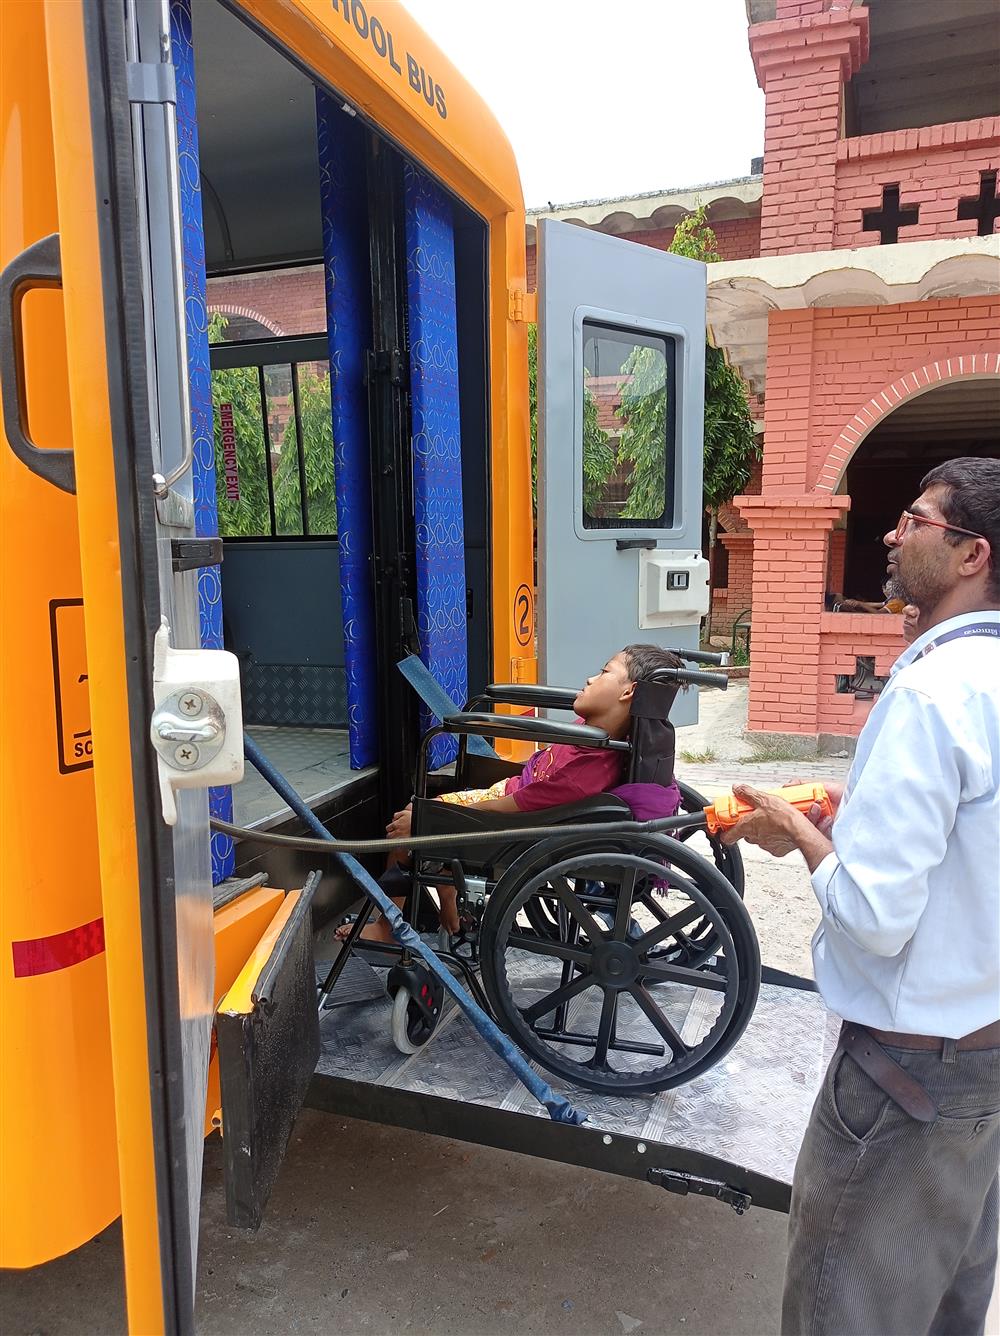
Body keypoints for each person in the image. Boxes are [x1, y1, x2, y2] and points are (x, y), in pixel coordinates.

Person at [720, 457, 1000, 1336]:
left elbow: (876, 922)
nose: (892, 531)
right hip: (984, 1066)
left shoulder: (931, 692)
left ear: (971, 555)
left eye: (916, 519)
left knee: (847, 1312)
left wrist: (799, 834)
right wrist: (853, 819)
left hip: (904, 1082)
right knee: (951, 1300)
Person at [340, 643, 684, 942]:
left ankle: (388, 927)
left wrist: (437, 817)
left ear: (627, 693)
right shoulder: (596, 736)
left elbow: (514, 808)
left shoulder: (584, 773)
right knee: (425, 816)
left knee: (406, 826)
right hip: (518, 795)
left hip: (515, 819)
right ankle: (447, 885)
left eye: (604, 672)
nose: (591, 679)